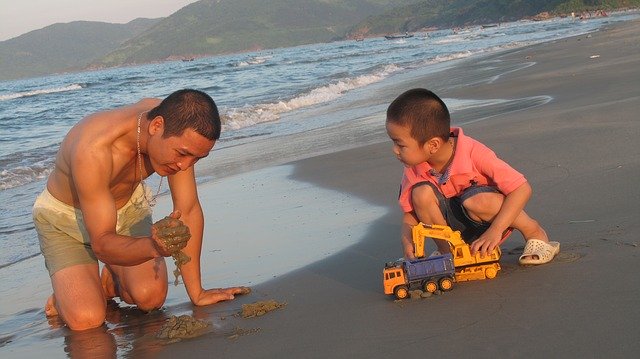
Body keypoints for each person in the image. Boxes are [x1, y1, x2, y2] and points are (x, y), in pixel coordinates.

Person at [33, 89, 248, 331]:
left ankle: (105, 284)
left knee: (150, 297)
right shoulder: (94, 150)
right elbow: (102, 243)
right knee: (87, 320)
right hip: (65, 220)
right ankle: (66, 296)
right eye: (183, 154)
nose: (184, 166)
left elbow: (187, 209)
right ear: (157, 126)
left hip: (126, 208)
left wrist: (197, 293)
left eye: (196, 159)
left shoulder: (177, 123)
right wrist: (154, 246)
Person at [385, 88, 559, 264]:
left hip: (493, 221)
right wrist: (407, 242)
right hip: (452, 232)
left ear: (433, 145)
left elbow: (522, 188)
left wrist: (496, 230)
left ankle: (534, 232)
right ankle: (449, 253)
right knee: (420, 194)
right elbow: (410, 215)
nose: (395, 150)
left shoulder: (473, 152)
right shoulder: (413, 169)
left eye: (400, 144)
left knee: (475, 200)